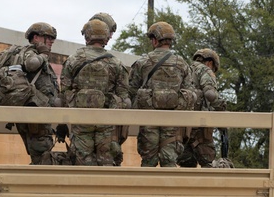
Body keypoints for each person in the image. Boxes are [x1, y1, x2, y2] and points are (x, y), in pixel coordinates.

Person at [60, 19, 130, 166]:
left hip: (81, 120)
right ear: (105, 38)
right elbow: (123, 97)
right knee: (106, 162)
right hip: (107, 122)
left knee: (82, 162)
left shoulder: (73, 60)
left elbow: (64, 92)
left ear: (87, 37)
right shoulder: (115, 63)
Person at [127, 21, 196, 167]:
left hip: (149, 119)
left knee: (148, 160)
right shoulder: (182, 63)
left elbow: (132, 89)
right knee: (169, 160)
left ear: (154, 40)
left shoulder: (143, 62)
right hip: (173, 120)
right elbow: (189, 91)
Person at [6, 22, 62, 164]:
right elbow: (31, 64)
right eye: (47, 37)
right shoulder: (29, 52)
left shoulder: (40, 56)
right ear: (36, 38)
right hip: (34, 117)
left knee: (42, 157)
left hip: (41, 117)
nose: (51, 41)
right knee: (42, 159)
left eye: (52, 39)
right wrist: (43, 55)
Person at [179, 48, 223, 168]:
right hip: (200, 129)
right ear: (210, 63)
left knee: (186, 165)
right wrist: (222, 108)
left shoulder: (184, 69)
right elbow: (210, 94)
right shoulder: (205, 70)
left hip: (182, 129)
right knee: (208, 165)